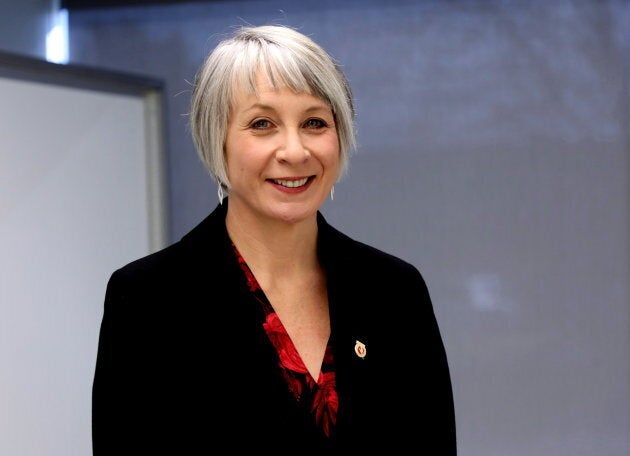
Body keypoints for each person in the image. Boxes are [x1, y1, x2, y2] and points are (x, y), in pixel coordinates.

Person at [92, 24, 456, 454]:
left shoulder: (394, 290)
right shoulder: (148, 298)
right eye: (262, 124)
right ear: (218, 140)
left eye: (315, 122)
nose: (295, 151)